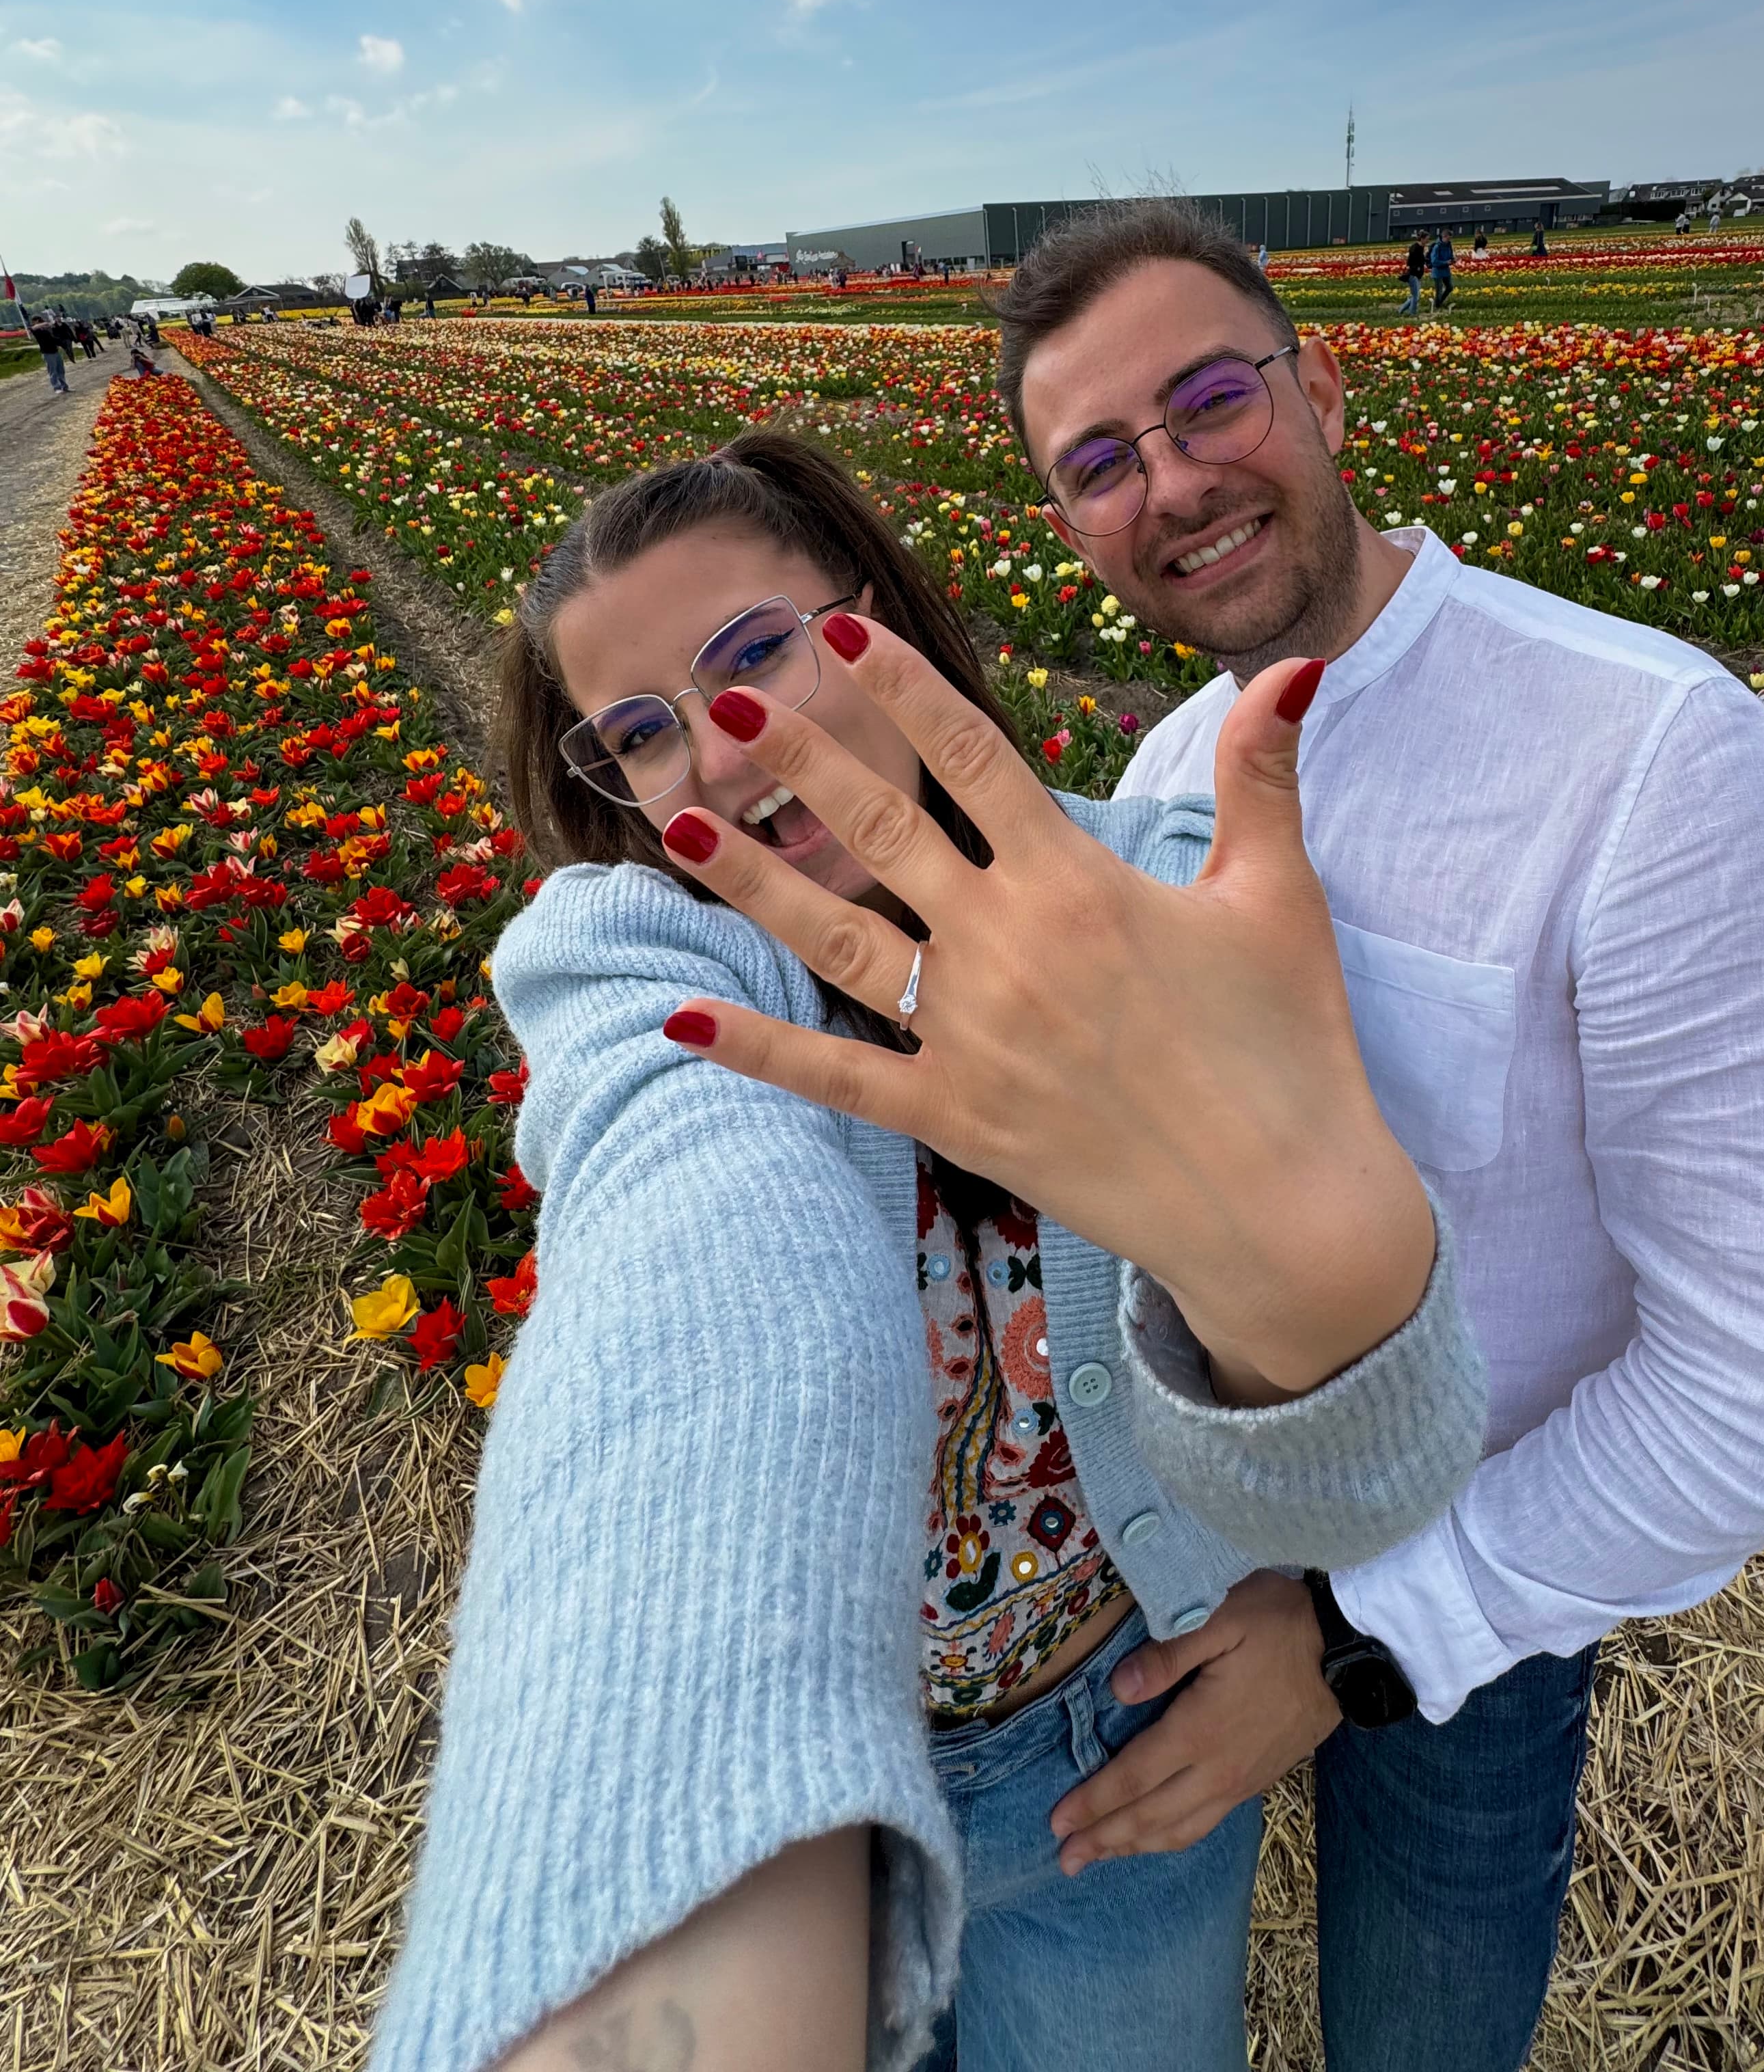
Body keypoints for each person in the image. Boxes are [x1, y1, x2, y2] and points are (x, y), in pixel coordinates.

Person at [372, 433, 1487, 2072]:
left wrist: (1332, 1582)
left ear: (877, 616)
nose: (727, 754)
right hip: (837, 1764)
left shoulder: (1159, 903)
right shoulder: (647, 988)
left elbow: (1354, 1465)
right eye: (641, 734)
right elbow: (697, 1325)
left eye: (755, 657)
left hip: (1119, 1752)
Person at [964, 198, 1764, 2072]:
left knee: (1424, 2037)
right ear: (1070, 527)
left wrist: (1357, 1636)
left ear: (1323, 383)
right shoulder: (1165, 778)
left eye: (1209, 397)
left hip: (1489, 1576)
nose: (1171, 480)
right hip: (1189, 1544)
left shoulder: (1650, 765)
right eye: (1098, 461)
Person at [30, 315, 68, 396]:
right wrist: (46, 323)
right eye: (38, 320)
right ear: (35, 321)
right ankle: (57, 388)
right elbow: (34, 328)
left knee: (61, 370)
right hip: (48, 353)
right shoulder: (36, 331)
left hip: (55, 351)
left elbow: (53, 338)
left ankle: (64, 386)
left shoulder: (46, 330)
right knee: (53, 371)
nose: (40, 322)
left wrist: (61, 345)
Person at [1396, 238, 1425, 318]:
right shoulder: (1415, 248)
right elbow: (1412, 261)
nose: (1428, 241)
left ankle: (1401, 310)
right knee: (1416, 296)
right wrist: (1417, 268)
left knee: (1415, 296)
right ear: (1422, 239)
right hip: (1413, 275)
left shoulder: (1420, 248)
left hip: (1417, 275)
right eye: (1426, 239)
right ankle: (1412, 313)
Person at [1428, 230, 1455, 312]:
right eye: (1448, 238)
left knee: (1450, 287)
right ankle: (1437, 306)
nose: (1449, 240)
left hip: (1446, 271)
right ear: (1443, 237)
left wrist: (1453, 260)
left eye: (1450, 239)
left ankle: (1440, 302)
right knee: (1439, 290)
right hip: (1437, 272)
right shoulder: (1437, 247)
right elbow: (1434, 262)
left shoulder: (1449, 245)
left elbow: (1450, 255)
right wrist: (1445, 262)